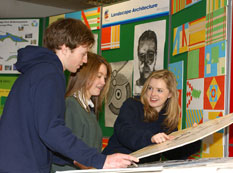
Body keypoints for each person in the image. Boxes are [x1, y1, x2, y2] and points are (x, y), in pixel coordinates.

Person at [0, 18, 138, 173]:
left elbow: (40, 134)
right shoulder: (50, 74)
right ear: (65, 48)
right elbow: (51, 130)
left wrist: (75, 158)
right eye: (83, 53)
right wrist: (100, 160)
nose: (85, 60)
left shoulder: (37, 71)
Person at [102, 69, 201, 163]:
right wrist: (150, 138)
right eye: (150, 88)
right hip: (114, 164)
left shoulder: (167, 119)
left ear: (170, 94)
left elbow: (173, 154)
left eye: (159, 90)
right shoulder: (132, 105)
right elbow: (125, 132)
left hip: (142, 169)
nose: (153, 94)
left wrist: (194, 139)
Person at [51, 52, 112, 172]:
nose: (103, 82)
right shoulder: (71, 105)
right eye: (98, 76)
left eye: (104, 78)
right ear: (85, 75)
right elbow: (66, 149)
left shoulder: (89, 109)